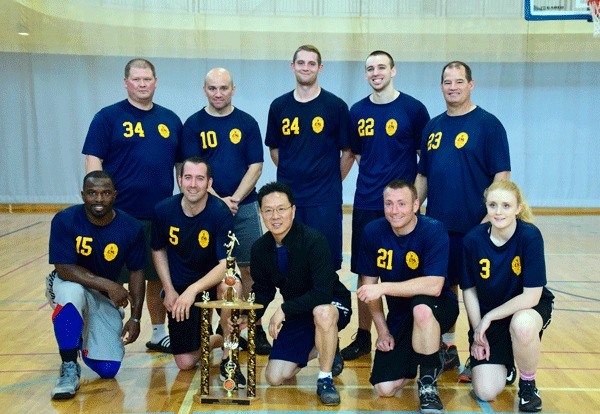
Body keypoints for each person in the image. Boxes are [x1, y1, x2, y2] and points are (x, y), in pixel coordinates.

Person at [414, 61, 511, 375]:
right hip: (438, 230)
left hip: (476, 229)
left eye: (458, 81)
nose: (452, 87)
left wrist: (489, 221)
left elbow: (502, 176)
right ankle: (447, 347)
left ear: (471, 84)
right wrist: (414, 207)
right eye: (447, 81)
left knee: (477, 294)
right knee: (443, 292)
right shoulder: (432, 127)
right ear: (441, 86)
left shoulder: (489, 125)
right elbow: (423, 174)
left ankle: (482, 353)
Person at [82, 58, 183, 354]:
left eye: (147, 79)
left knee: (155, 276)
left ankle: (158, 332)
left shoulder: (170, 120)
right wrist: (94, 206)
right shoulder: (107, 118)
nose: (142, 84)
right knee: (106, 276)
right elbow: (93, 162)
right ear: (126, 82)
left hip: (158, 214)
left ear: (155, 81)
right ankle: (98, 332)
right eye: (136, 79)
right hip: (116, 217)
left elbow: (181, 167)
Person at [342, 50, 430, 361]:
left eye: (381, 67)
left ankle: (407, 334)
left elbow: (425, 161)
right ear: (366, 75)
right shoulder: (357, 111)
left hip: (402, 210)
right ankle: (364, 335)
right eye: (370, 69)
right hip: (367, 203)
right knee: (366, 273)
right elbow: (357, 155)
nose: (376, 72)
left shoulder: (414, 109)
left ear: (394, 70)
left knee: (404, 272)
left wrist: (415, 203)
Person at [180, 68, 270, 355]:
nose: (218, 93)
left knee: (249, 268)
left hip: (244, 207)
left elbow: (256, 166)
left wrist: (235, 199)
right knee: (218, 268)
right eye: (212, 88)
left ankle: (251, 326)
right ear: (204, 90)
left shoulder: (247, 123)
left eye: (223, 88)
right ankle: (226, 328)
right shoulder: (193, 125)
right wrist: (219, 201)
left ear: (233, 89)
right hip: (209, 208)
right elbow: (190, 169)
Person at [240, 182, 352, 406]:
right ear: (260, 212)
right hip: (299, 310)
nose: (275, 216)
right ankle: (327, 347)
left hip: (331, 304)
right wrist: (247, 314)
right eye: (268, 210)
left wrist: (283, 309)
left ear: (293, 210)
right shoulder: (260, 248)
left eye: (281, 209)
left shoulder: (314, 240)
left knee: (322, 313)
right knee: (275, 377)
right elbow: (263, 290)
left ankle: (325, 378)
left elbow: (322, 294)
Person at [355, 179, 458, 414]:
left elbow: (434, 286)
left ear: (415, 205)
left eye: (402, 204)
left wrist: (385, 288)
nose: (394, 211)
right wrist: (382, 330)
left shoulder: (433, 230)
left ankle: (428, 383)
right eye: (389, 204)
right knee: (384, 388)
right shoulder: (373, 232)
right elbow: (370, 288)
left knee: (421, 309)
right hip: (401, 314)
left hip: (438, 306)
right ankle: (426, 356)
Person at [46, 171, 146, 400]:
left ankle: (78, 337)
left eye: (105, 193)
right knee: (72, 295)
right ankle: (69, 367)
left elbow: (137, 272)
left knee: (108, 369)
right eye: (92, 193)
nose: (99, 199)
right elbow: (64, 268)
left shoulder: (130, 227)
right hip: (67, 282)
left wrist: (136, 317)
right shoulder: (65, 220)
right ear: (83, 195)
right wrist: (109, 284)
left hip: (102, 295)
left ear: (115, 195)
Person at [461, 181, 554, 412]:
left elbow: (531, 296)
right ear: (486, 207)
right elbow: (469, 290)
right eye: (493, 205)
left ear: (518, 209)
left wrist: (489, 317)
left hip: (525, 308)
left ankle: (528, 385)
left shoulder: (529, 236)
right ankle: (507, 364)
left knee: (522, 325)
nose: (498, 212)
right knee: (485, 391)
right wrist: (476, 333)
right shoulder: (472, 240)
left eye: (505, 205)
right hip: (490, 315)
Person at [150, 157, 243, 386]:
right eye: (188, 177)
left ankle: (229, 359)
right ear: (179, 180)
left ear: (209, 182)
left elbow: (226, 264)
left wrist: (193, 290)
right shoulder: (163, 210)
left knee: (232, 285)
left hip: (212, 281)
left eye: (200, 178)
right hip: (181, 286)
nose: (193, 184)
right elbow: (158, 249)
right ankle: (215, 339)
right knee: (185, 362)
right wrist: (169, 290)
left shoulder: (220, 212)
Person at [265, 44, 354, 273]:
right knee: (291, 263)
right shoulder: (279, 106)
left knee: (324, 263)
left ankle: (325, 309)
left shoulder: (335, 106)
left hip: (324, 199)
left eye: (311, 63)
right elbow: (274, 150)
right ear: (292, 66)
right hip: (289, 198)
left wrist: (331, 179)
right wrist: (292, 171)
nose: (306, 68)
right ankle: (294, 309)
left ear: (320, 68)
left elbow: (348, 153)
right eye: (301, 63)